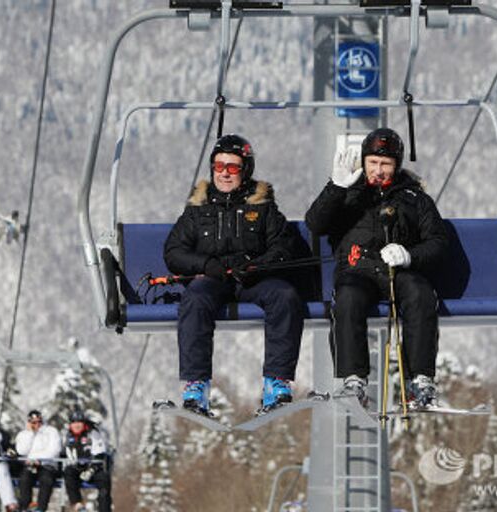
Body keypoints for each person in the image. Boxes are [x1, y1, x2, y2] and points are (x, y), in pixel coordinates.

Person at [305, 128, 449, 409]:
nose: (378, 171)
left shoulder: (414, 198)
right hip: (357, 271)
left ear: (396, 166)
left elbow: (438, 243)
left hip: (398, 271)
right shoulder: (348, 193)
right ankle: (353, 380)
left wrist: (409, 255)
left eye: (385, 165)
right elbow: (316, 224)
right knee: (347, 298)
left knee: (420, 294)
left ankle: (419, 381)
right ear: (364, 161)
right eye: (372, 163)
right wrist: (336, 187)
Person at [164, 134, 305, 415]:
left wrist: (256, 265)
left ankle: (276, 382)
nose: (225, 174)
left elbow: (283, 247)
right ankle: (196, 385)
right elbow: (174, 253)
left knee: (285, 295)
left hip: (254, 280)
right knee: (195, 299)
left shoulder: (262, 207)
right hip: (214, 280)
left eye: (233, 167)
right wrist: (205, 265)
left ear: (246, 169)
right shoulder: (198, 209)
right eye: (219, 166)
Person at [62, 410, 112, 512]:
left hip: (93, 469)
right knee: (68, 472)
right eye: (74, 422)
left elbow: (100, 454)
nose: (76, 425)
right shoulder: (67, 436)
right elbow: (63, 453)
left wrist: (91, 470)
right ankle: (78, 505)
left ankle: (104, 508)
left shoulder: (92, 434)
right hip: (76, 468)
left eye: (79, 422)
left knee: (104, 479)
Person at [15, 410, 62, 512]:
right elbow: (21, 451)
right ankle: (25, 507)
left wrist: (39, 460)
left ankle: (41, 508)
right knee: (24, 479)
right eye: (33, 422)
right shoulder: (23, 434)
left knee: (46, 480)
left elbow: (55, 450)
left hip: (47, 465)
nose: (37, 425)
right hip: (30, 466)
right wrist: (30, 434)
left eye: (39, 422)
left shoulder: (51, 432)